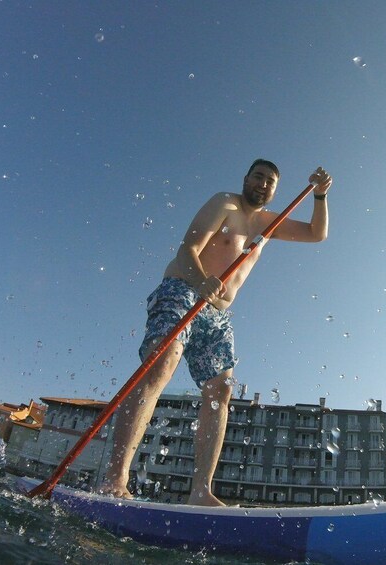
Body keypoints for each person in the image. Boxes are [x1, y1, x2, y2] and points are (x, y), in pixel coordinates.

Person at [100, 159, 332, 506]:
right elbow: (188, 249)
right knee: (161, 366)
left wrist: (320, 196)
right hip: (182, 288)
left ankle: (200, 491)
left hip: (217, 313)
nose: (263, 184)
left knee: (220, 390)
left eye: (270, 181)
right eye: (258, 176)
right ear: (246, 179)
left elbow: (317, 234)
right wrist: (200, 280)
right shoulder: (225, 202)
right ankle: (115, 478)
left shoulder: (269, 224)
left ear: (274, 190)